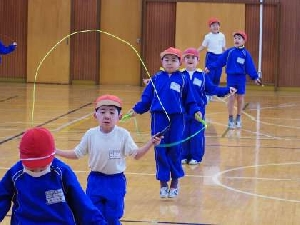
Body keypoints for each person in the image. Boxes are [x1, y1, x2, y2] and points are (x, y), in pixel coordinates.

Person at [55, 94, 162, 225]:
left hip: (116, 182)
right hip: (95, 181)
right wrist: (57, 152)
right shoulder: (90, 134)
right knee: (93, 214)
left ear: (119, 117)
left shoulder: (123, 135)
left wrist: (150, 143)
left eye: (112, 112)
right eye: (103, 111)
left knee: (112, 216)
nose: (107, 116)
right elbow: (77, 153)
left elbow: (136, 155)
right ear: (96, 115)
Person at [129, 47, 202, 199]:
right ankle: (163, 183)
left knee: (175, 150)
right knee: (160, 149)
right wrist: (136, 110)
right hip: (159, 118)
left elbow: (190, 100)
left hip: (177, 119)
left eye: (174, 60)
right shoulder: (155, 78)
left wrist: (195, 110)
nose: (170, 63)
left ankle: (175, 182)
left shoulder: (183, 79)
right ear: (162, 61)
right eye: (166, 60)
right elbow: (146, 99)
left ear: (179, 62)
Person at [0, 127, 107, 225]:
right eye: (31, 168)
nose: (37, 171)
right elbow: (2, 199)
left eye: (42, 167)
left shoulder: (61, 172)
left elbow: (83, 205)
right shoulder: (15, 174)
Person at [181, 47, 236, 165]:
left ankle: (196, 156)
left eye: (193, 57)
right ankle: (183, 155)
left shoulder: (202, 76)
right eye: (187, 57)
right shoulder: (179, 75)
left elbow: (212, 89)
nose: (190, 60)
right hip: (183, 110)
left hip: (199, 110)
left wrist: (226, 90)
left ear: (198, 60)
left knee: (196, 134)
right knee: (183, 132)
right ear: (183, 60)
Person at [205, 31, 262, 129]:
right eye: (235, 38)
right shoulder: (229, 51)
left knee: (240, 98)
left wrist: (255, 77)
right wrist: (210, 67)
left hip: (241, 78)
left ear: (244, 41)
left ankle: (238, 117)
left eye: (239, 38)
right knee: (231, 97)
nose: (236, 40)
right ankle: (230, 117)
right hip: (231, 77)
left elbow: (250, 67)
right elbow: (220, 61)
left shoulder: (245, 54)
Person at [197, 17, 226, 101]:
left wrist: (229, 53)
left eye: (217, 25)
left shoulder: (222, 36)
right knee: (209, 75)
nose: (215, 27)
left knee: (217, 75)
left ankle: (214, 93)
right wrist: (195, 51)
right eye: (213, 25)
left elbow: (223, 47)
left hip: (219, 57)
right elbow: (203, 46)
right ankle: (207, 93)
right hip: (211, 57)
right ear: (210, 27)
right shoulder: (208, 37)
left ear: (219, 26)